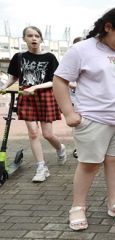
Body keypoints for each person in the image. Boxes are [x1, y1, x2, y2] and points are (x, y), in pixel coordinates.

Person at [52, 7, 115, 231]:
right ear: (108, 27)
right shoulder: (81, 50)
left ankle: (114, 203)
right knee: (89, 164)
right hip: (94, 118)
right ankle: (77, 207)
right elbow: (59, 80)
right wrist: (68, 112)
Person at [0, 26, 66, 182]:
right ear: (24, 39)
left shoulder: (50, 57)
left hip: (44, 96)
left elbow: (53, 81)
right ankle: (41, 167)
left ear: (41, 39)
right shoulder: (19, 57)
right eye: (30, 35)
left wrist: (35, 87)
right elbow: (14, 77)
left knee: (48, 134)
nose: (34, 38)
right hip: (26, 97)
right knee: (33, 133)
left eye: (37, 36)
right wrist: (4, 87)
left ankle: (60, 148)